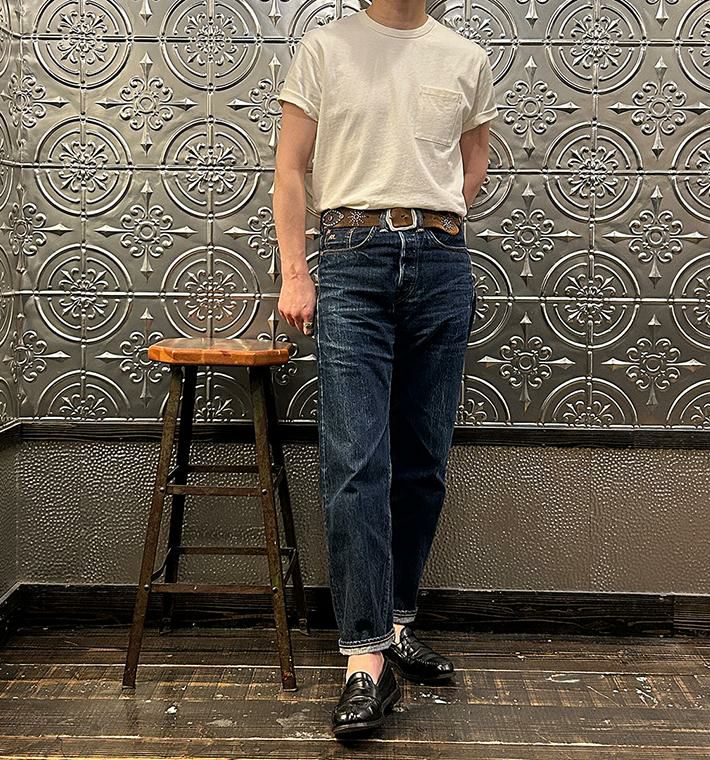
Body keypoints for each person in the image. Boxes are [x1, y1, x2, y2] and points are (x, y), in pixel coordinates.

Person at [273, 0, 498, 740]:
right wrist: (296, 272)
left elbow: (473, 162)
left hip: (441, 262)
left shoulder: (465, 58)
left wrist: (434, 220)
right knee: (355, 463)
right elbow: (290, 169)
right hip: (351, 260)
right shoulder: (325, 48)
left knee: (424, 461)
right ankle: (364, 659)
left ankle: (398, 622)